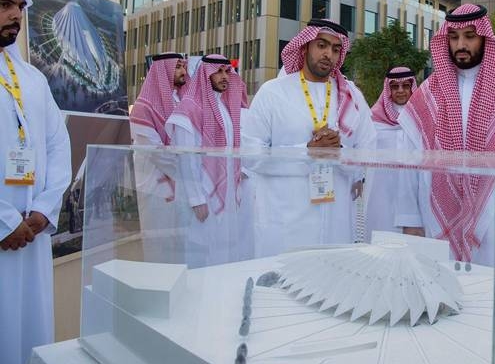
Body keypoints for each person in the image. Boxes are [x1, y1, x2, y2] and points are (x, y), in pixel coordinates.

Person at [395, 4, 495, 268]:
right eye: (454, 37)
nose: (461, 45)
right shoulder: (428, 93)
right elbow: (409, 162)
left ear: (484, 38)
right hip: (438, 218)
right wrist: (410, 220)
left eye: (469, 36)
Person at [242, 19, 376, 257]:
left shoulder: (351, 97)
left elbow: (367, 154)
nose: (328, 54)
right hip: (285, 223)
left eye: (336, 49)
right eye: (321, 45)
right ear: (305, 47)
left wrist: (340, 153)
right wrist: (306, 153)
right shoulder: (273, 92)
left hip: (336, 223)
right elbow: (251, 155)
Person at [0, 0, 72, 364]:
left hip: (32, 233)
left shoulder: (33, 78)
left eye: (19, 8)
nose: (15, 16)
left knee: (30, 333)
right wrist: (5, 220)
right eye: (4, 6)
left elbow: (57, 145)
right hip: (6, 229)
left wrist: (44, 209)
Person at [166, 54, 249, 267]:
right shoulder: (190, 108)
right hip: (204, 194)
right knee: (202, 251)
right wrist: (196, 199)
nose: (224, 76)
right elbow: (186, 157)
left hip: (227, 191)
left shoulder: (226, 108)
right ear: (206, 74)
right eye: (218, 71)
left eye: (227, 71)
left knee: (227, 248)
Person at [129, 52, 188, 262]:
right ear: (163, 71)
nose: (183, 71)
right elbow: (156, 153)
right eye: (178, 67)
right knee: (159, 247)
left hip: (181, 188)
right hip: (155, 189)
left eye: (184, 66)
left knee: (180, 248)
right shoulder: (143, 108)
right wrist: (190, 168)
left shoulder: (181, 101)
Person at [366, 66, 417, 241]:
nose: (401, 91)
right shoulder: (373, 120)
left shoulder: (422, 118)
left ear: (412, 87)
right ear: (389, 90)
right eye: (395, 86)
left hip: (414, 189)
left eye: (405, 86)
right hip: (382, 191)